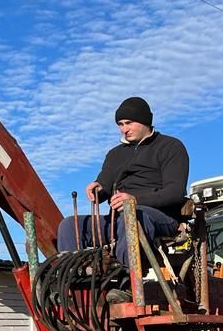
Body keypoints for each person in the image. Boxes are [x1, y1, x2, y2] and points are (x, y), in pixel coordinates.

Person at [57, 96, 189, 271]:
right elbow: (105, 182)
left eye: (128, 123)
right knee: (68, 225)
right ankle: (73, 275)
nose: (123, 129)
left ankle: (125, 276)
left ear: (145, 121)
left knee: (132, 217)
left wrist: (134, 199)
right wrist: (98, 188)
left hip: (158, 216)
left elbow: (175, 192)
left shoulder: (170, 147)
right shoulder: (115, 154)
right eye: (120, 124)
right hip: (118, 219)